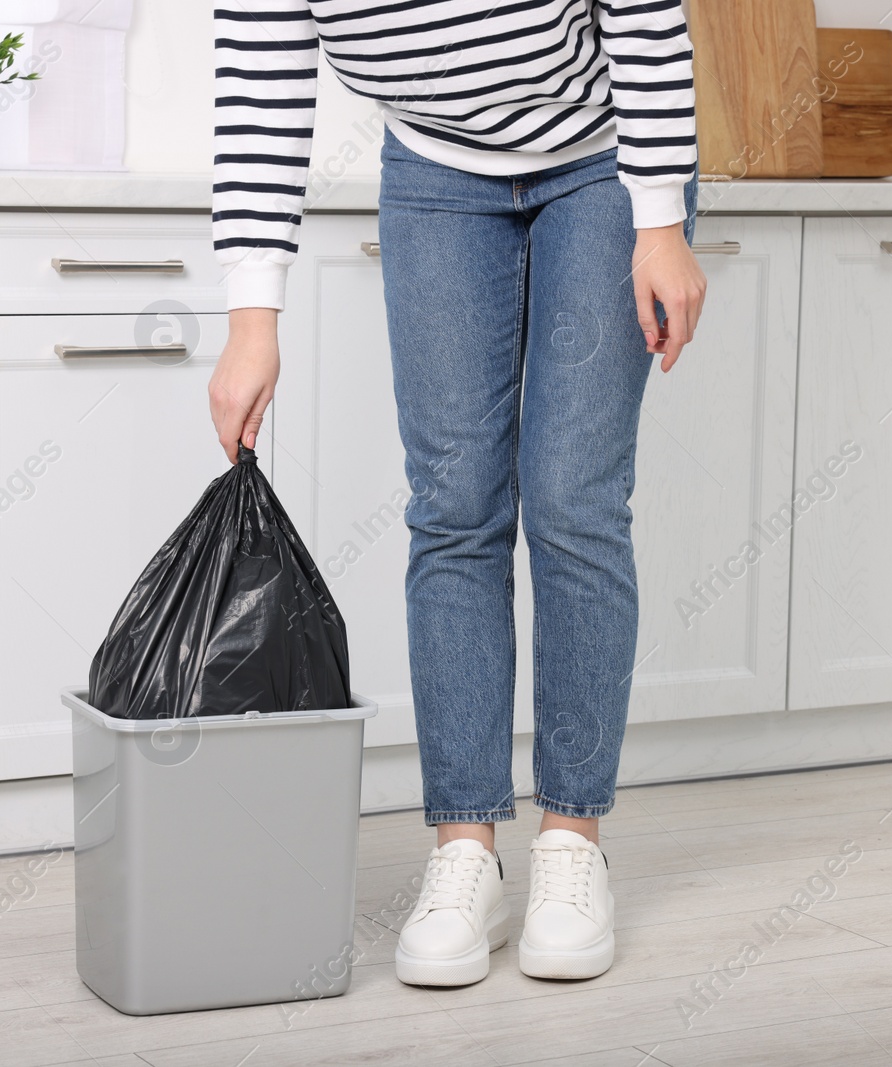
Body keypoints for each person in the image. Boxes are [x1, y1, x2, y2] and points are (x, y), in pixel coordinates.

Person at [207, 0, 705, 986]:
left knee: (574, 499)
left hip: (603, 157)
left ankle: (571, 843)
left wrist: (658, 219)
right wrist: (250, 314)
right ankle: (463, 850)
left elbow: (643, 14)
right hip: (434, 170)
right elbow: (259, 82)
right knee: (453, 507)